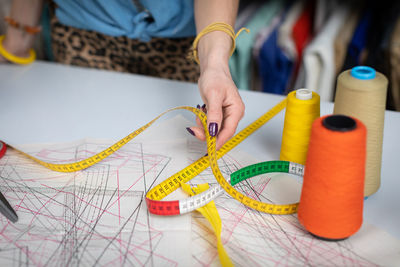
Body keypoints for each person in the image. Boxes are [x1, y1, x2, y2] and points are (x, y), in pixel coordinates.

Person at [0, 0, 245, 150]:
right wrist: (16, 43)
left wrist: (214, 63)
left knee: (177, 147)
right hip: (83, 35)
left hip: (187, 43)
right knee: (79, 142)